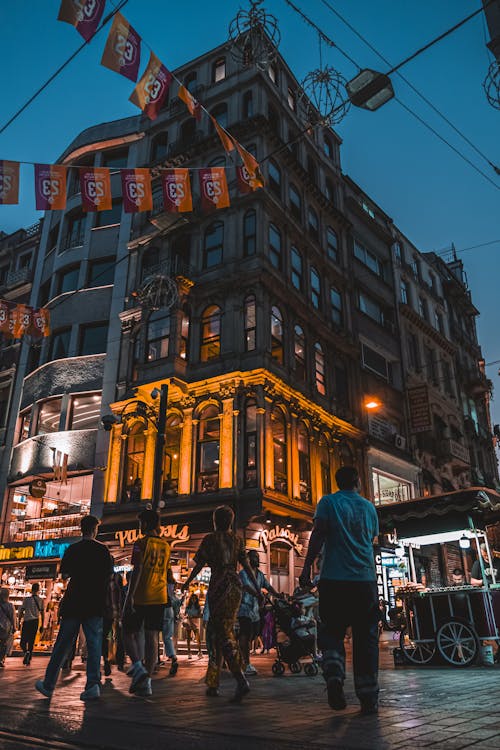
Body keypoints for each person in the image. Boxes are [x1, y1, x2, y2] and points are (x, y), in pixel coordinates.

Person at [299, 466, 380, 715]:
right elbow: (371, 541)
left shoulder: (328, 502)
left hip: (334, 580)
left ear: (337, 482)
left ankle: (334, 674)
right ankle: (367, 697)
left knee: (332, 632)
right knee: (366, 639)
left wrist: (306, 568)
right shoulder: (369, 508)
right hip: (364, 582)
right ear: (357, 481)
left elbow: (319, 534)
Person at [182, 505, 261, 702]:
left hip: (219, 587)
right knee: (217, 632)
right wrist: (257, 589)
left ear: (215, 521)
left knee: (221, 633)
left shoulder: (210, 539)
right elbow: (247, 567)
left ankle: (240, 679)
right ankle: (213, 683)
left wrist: (187, 581)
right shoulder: (237, 540)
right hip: (235, 587)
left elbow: (199, 564)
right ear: (231, 521)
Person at [35, 515, 113, 701]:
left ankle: (49, 684)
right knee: (94, 644)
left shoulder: (73, 549)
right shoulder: (103, 551)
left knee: (63, 644)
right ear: (95, 530)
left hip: (74, 601)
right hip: (95, 603)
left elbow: (65, 575)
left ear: (81, 529)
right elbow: (109, 578)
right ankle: (93, 684)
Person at [122, 508, 173, 698]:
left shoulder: (140, 544)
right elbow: (167, 574)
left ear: (144, 524)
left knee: (126, 631)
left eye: (140, 523)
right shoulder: (166, 546)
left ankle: (137, 666)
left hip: (141, 596)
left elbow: (137, 570)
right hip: (159, 597)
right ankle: (147, 683)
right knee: (152, 639)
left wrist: (129, 597)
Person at [237, 549, 280, 675]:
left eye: (257, 557)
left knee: (253, 635)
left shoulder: (260, 575)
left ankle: (241, 658)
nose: (257, 559)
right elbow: (246, 586)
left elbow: (267, 586)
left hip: (255, 611)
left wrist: (277, 594)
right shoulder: (243, 573)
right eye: (254, 557)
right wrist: (258, 594)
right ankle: (246, 664)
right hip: (244, 608)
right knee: (245, 635)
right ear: (248, 560)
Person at [19, 582, 44, 666]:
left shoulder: (26, 599)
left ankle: (26, 653)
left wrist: (19, 620)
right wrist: (42, 625)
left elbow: (21, 610)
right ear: (38, 590)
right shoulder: (41, 600)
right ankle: (28, 657)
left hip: (27, 621)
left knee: (23, 642)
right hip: (35, 622)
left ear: (32, 589)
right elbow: (42, 613)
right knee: (31, 641)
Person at [102, 574, 121, 677]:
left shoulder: (101, 581)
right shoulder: (115, 583)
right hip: (111, 615)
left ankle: (106, 658)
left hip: (101, 614)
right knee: (109, 637)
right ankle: (108, 659)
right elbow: (118, 600)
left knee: (103, 638)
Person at [162, 583, 181, 676]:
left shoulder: (158, 579)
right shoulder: (173, 593)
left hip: (159, 607)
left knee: (151, 636)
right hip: (169, 609)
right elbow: (177, 603)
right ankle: (173, 657)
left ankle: (145, 664)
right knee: (167, 637)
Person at [183, 593, 202, 659]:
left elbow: (200, 615)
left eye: (195, 599)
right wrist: (187, 617)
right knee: (188, 638)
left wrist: (193, 616)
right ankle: (189, 653)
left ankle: (199, 652)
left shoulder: (198, 607)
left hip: (195, 623)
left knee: (198, 638)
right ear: (190, 599)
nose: (193, 600)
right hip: (189, 623)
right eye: (192, 598)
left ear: (196, 599)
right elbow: (185, 614)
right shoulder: (188, 607)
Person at [0, 588, 15, 669]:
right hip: (6, 627)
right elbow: (12, 617)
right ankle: (1, 659)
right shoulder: (10, 605)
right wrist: (14, 627)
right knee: (4, 643)